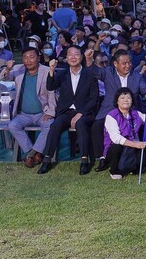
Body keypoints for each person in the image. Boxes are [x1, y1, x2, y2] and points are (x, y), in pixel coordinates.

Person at [38, 46, 100, 175]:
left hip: (85, 112)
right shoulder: (62, 74)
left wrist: (80, 113)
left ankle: (84, 160)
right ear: (66, 58)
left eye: (76, 54)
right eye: (70, 54)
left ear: (81, 57)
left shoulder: (90, 75)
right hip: (66, 112)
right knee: (55, 126)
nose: (73, 57)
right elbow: (50, 86)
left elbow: (94, 99)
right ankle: (47, 160)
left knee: (81, 124)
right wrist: (51, 69)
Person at [84, 49, 145, 174]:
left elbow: (144, 89)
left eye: (129, 62)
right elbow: (94, 71)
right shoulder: (108, 72)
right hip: (108, 110)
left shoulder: (137, 76)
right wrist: (89, 59)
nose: (127, 65)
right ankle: (102, 157)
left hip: (129, 111)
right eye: (124, 63)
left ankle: (132, 157)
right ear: (115, 64)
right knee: (96, 127)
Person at [6, 48, 57, 168]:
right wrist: (8, 68)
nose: (28, 60)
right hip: (24, 114)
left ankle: (32, 154)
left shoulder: (46, 71)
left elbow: (52, 92)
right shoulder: (19, 69)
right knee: (12, 125)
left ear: (38, 58)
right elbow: (5, 78)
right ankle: (34, 152)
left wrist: (50, 111)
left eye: (32, 57)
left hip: (42, 113)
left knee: (50, 126)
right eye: (25, 57)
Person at [101, 88, 146, 180]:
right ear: (117, 101)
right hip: (117, 148)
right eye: (122, 98)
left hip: (133, 146)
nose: (126, 100)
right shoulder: (111, 116)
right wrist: (135, 144)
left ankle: (133, 167)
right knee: (116, 147)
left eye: (128, 98)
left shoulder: (136, 113)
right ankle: (114, 170)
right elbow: (116, 138)